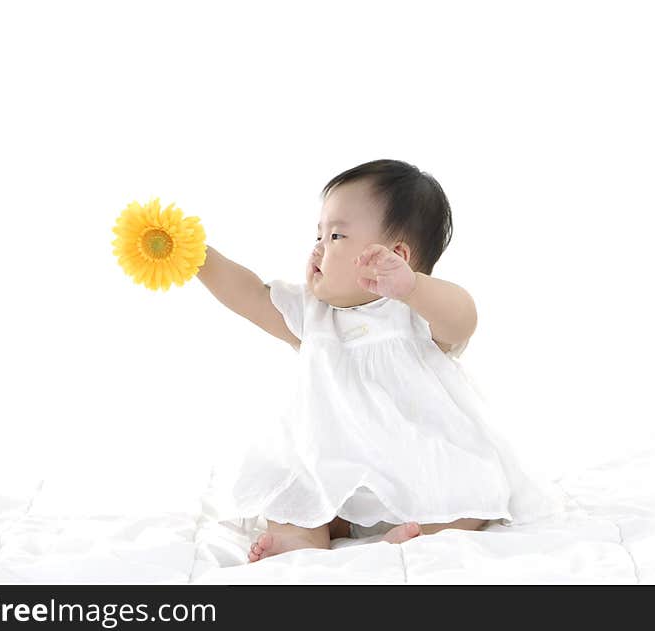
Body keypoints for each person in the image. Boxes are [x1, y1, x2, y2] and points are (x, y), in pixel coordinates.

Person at [196, 159, 564, 563]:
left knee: (476, 496)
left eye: (336, 235)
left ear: (397, 256)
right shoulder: (313, 316)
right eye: (318, 233)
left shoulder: (411, 314)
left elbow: (464, 319)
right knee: (291, 492)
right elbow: (249, 294)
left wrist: (412, 288)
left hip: (415, 465)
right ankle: (302, 540)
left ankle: (417, 533)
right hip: (330, 465)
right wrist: (197, 254)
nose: (318, 246)